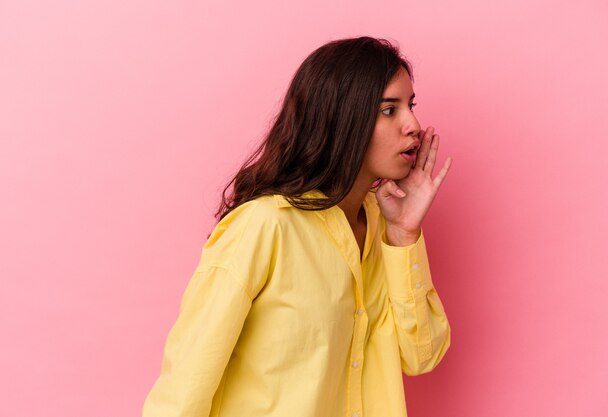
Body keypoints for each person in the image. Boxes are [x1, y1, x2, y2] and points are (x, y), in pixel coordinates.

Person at [143, 36, 452, 417]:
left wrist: (404, 236)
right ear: (342, 117)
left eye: (410, 105)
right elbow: (185, 384)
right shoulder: (265, 226)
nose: (414, 125)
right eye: (389, 110)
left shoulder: (382, 225)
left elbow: (421, 355)